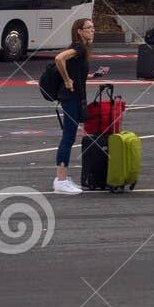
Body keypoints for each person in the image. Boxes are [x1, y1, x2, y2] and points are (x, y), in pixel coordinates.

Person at [50, 17, 108, 194]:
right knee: (68, 138)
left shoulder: (81, 49)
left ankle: (62, 177)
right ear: (79, 31)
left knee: (69, 137)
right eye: (88, 28)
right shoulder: (79, 47)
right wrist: (67, 80)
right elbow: (58, 59)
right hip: (71, 99)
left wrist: (94, 76)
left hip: (72, 98)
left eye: (93, 27)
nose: (92, 30)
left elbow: (77, 73)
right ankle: (60, 181)